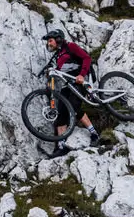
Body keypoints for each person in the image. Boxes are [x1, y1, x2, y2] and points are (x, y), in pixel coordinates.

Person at [41, 29, 100, 157]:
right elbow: (60, 72)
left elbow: (86, 58)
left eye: (50, 40)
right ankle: (61, 147)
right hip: (68, 85)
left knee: (73, 107)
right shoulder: (59, 55)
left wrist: (82, 75)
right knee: (61, 112)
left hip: (80, 81)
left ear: (58, 39)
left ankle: (94, 134)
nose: (48, 44)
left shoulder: (70, 46)